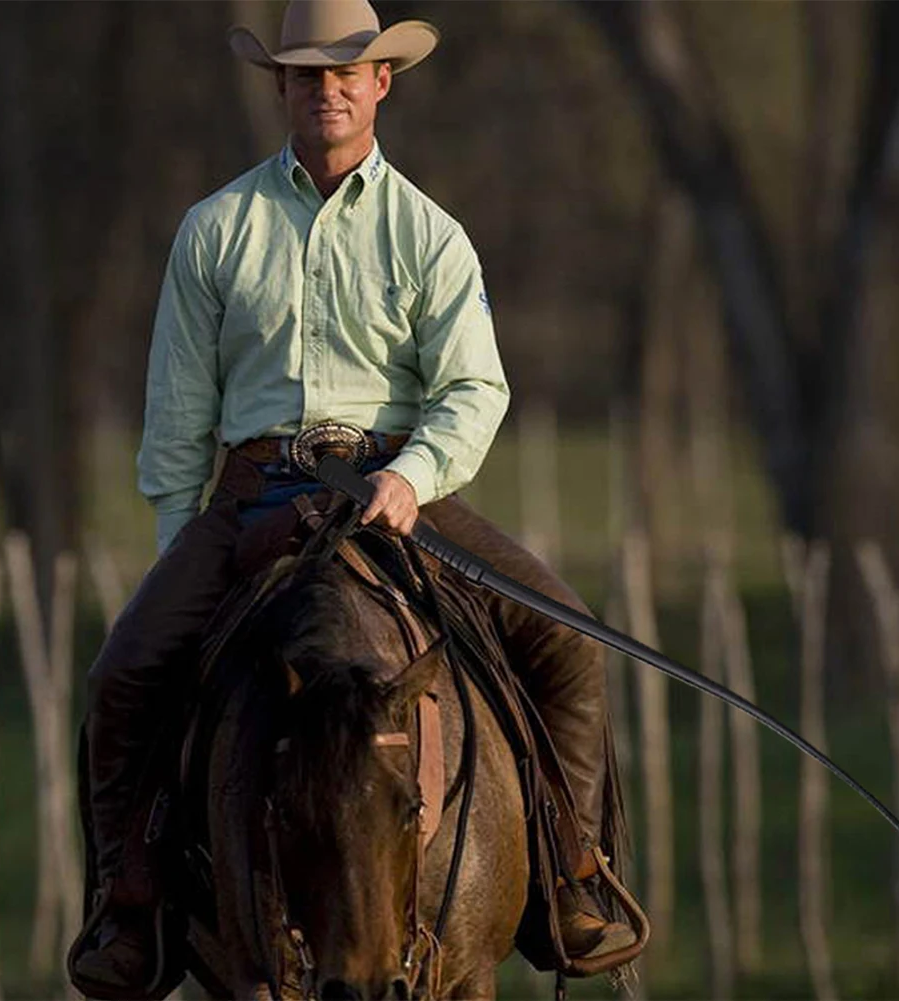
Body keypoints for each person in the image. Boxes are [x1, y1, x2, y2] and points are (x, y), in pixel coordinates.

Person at [72, 0, 637, 991]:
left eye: (345, 73)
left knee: (570, 637)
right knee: (124, 670)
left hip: (393, 492)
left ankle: (571, 871)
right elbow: (177, 419)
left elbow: (472, 388)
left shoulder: (429, 235)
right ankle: (132, 900)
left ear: (382, 82)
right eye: (303, 75)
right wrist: (181, 556)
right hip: (251, 498)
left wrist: (410, 475)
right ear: (279, 89)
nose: (325, 89)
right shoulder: (215, 230)